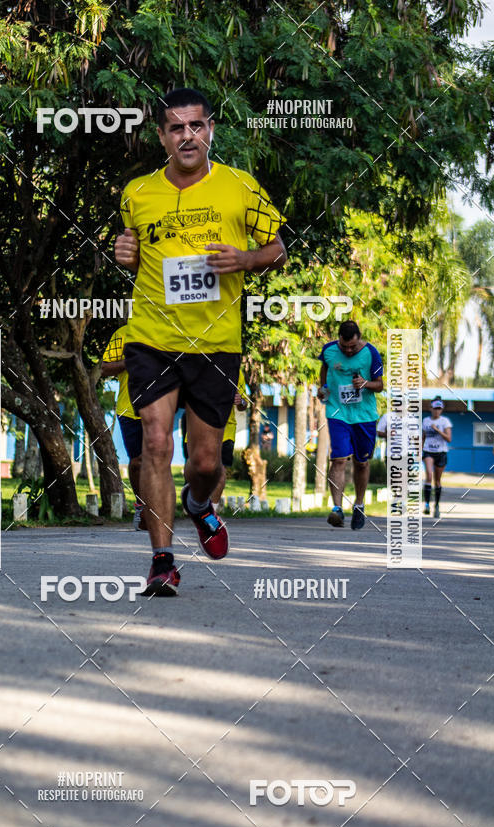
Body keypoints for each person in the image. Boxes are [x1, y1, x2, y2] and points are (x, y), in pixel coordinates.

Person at [114, 87, 286, 595]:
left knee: (206, 463)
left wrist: (246, 259)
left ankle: (198, 503)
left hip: (215, 342)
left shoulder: (240, 187)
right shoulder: (137, 193)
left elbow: (278, 247)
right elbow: (134, 252)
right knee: (155, 442)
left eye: (196, 126)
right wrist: (125, 253)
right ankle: (162, 561)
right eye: (175, 128)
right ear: (162, 136)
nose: (186, 136)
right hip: (152, 336)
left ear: (210, 130)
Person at [318, 320, 384, 530]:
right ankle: (337, 509)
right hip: (337, 412)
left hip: (364, 416)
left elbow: (380, 385)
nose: (348, 350)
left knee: (361, 462)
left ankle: (359, 504)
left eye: (352, 347)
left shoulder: (371, 353)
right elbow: (324, 370)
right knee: (338, 459)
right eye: (344, 346)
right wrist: (324, 389)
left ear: (359, 339)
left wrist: (365, 383)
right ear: (339, 339)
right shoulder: (328, 350)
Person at [101, 326, 147, 531]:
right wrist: (130, 361)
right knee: (137, 461)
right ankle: (141, 506)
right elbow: (105, 368)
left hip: (159, 405)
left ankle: (157, 510)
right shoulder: (122, 333)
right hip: (129, 408)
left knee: (157, 460)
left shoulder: (166, 329)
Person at [182, 370, 248, 508]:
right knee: (195, 470)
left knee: (220, 470)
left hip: (225, 429)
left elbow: (243, 405)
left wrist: (240, 401)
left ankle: (212, 510)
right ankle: (192, 508)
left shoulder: (236, 371)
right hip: (197, 427)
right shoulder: (196, 364)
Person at [422, 397, 452, 518]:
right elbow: (423, 436)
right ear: (431, 408)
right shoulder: (425, 421)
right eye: (435, 408)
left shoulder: (445, 422)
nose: (437, 411)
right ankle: (427, 505)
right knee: (429, 475)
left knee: (437, 480)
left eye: (439, 409)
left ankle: (437, 506)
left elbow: (449, 439)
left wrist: (437, 430)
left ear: (442, 410)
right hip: (428, 451)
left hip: (441, 452)